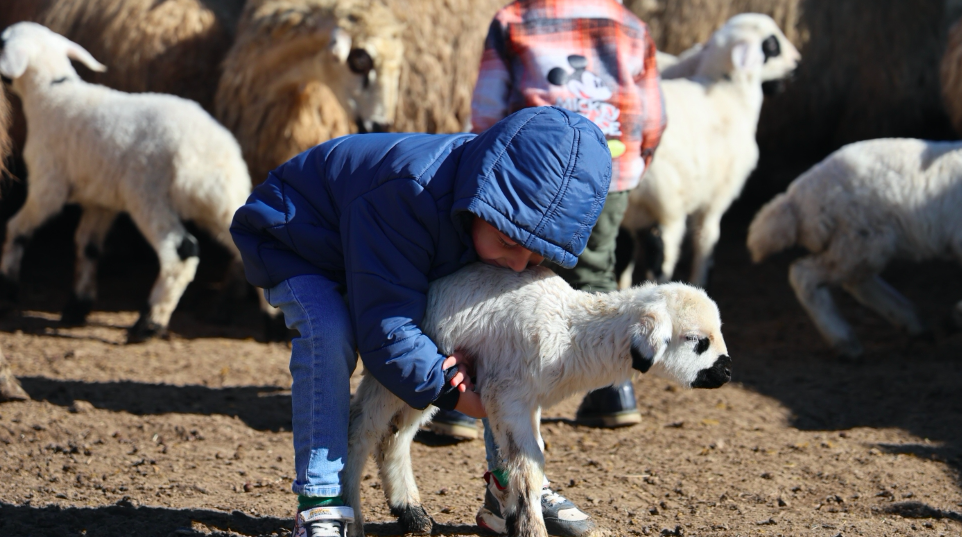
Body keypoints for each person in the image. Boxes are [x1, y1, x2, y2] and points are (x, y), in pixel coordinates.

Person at [230, 106, 612, 537]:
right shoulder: (408, 194)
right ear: (481, 198)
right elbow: (386, 327)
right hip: (299, 237)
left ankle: (515, 488)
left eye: (538, 253)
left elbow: (468, 297)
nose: (520, 263)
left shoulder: (486, 219)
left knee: (510, 332)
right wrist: (453, 392)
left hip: (384, 250)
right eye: (508, 241)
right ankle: (323, 500)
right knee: (329, 332)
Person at [425, 1, 667, 535]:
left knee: (508, 294)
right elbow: (652, 113)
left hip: (528, 177)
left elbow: (489, 107)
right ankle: (613, 393)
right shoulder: (629, 23)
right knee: (596, 281)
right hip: (609, 167)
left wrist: (492, 171)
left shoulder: (516, 19)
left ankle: (459, 405)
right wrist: (631, 165)